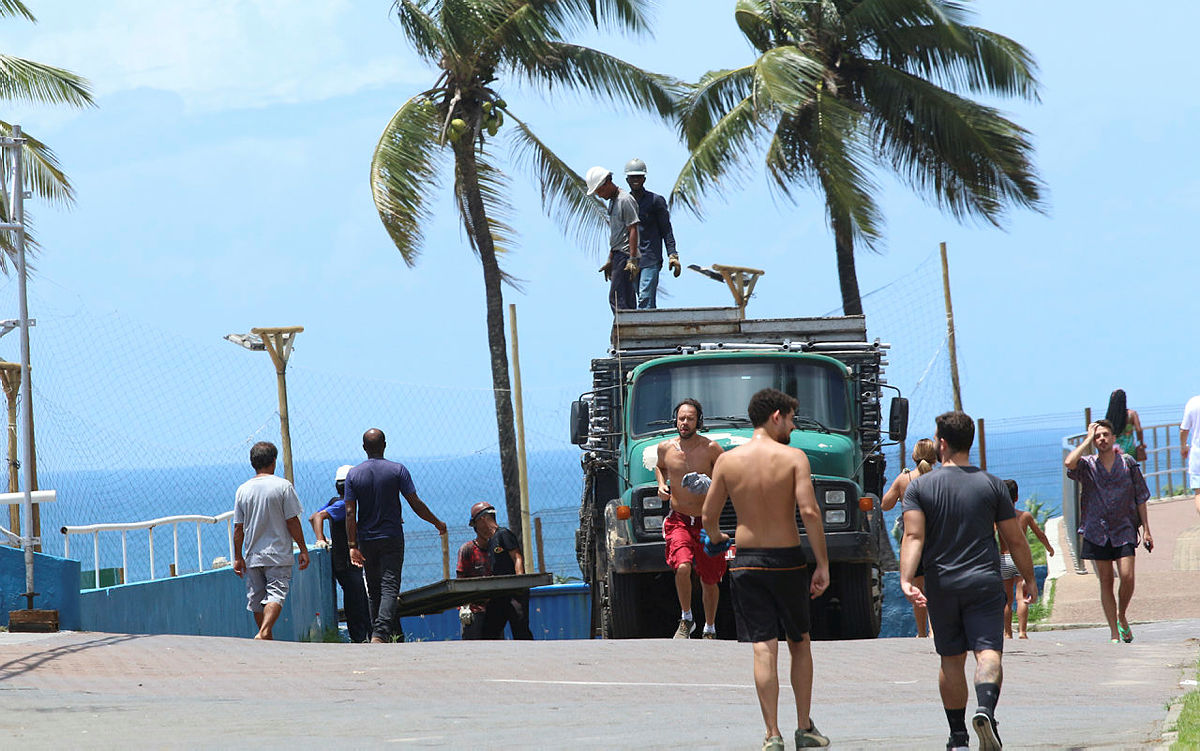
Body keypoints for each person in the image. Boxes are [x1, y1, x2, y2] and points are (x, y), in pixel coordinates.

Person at [702, 388, 831, 749]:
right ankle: (804, 727)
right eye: (791, 418)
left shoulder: (728, 461)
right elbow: (809, 512)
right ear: (776, 416)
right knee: (799, 642)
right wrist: (822, 563)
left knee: (763, 648)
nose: (793, 425)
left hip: (746, 562)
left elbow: (709, 516)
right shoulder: (794, 458)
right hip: (787, 561)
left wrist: (717, 537)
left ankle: (772, 734)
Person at [900, 411, 1036, 751]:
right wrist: (1029, 579)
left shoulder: (919, 487)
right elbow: (1015, 540)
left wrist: (906, 579)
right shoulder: (992, 484)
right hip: (984, 584)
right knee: (988, 654)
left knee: (950, 659)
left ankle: (958, 736)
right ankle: (985, 709)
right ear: (969, 441)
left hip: (942, 585)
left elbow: (913, 536)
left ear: (941, 443)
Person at [345, 428, 447, 643]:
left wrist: (352, 544)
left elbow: (350, 512)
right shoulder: (397, 470)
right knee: (390, 586)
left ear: (364, 448)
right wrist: (436, 522)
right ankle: (380, 634)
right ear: (385, 445)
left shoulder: (353, 474)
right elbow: (415, 503)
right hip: (391, 536)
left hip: (366, 538)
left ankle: (377, 632)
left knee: (374, 589)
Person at [1064, 420, 1153, 644]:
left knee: (1127, 576)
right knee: (1106, 581)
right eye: (1097, 436)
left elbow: (1141, 497)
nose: (1101, 439)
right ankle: (1114, 631)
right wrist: (1086, 439)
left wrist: (1147, 530)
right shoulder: (1087, 465)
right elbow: (1069, 462)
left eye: (1105, 435)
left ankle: (1122, 615)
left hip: (1124, 529)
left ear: (1113, 439)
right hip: (1097, 530)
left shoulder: (1128, 463)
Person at [655, 397, 725, 639]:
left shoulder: (711, 448)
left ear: (699, 421)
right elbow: (660, 467)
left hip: (706, 521)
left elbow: (729, 474)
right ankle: (686, 619)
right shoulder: (665, 448)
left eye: (690, 419)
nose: (684, 423)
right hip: (679, 520)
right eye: (681, 418)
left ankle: (710, 627)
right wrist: (662, 485)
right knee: (682, 567)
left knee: (709, 578)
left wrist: (711, 484)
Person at [232, 441, 310, 641]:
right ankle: (265, 631)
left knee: (257, 599)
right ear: (274, 461)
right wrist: (302, 548)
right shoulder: (283, 486)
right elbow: (292, 520)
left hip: (253, 554)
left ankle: (265, 634)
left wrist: (238, 556)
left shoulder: (243, 490)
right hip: (278, 553)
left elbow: (238, 528)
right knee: (276, 593)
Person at [880, 438, 938, 637]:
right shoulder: (939, 478)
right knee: (936, 587)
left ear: (914, 456)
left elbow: (885, 505)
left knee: (917, 587)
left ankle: (921, 632)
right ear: (935, 458)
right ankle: (934, 631)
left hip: (912, 538)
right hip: (937, 538)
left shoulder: (904, 479)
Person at [310, 464, 371, 643]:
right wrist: (321, 539)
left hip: (342, 560)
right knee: (356, 601)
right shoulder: (343, 505)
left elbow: (313, 516)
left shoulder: (334, 501)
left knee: (356, 598)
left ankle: (361, 636)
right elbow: (319, 517)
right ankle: (360, 637)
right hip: (346, 561)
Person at [468, 501, 534, 640]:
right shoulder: (491, 541)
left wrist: (519, 583)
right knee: (489, 630)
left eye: (475, 524)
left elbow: (517, 557)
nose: (476, 529)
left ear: (483, 519)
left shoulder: (503, 534)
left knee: (520, 628)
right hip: (500, 592)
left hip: (514, 592)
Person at [997, 479, 1054, 640]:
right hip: (1020, 558)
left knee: (1007, 600)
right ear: (1017, 497)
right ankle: (1022, 632)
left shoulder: (997, 518)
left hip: (1004, 559)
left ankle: (1007, 633)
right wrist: (1049, 548)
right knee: (1021, 596)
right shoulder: (1025, 516)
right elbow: (1039, 534)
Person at [624, 158, 679, 309]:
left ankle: (644, 329)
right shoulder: (624, 202)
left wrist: (672, 254)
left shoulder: (655, 201)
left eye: (639, 176)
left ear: (644, 178)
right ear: (627, 179)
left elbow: (666, 229)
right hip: (631, 261)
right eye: (632, 177)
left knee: (645, 297)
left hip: (651, 258)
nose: (636, 180)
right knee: (638, 298)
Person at [585, 165, 640, 313]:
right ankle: (629, 324)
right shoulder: (614, 201)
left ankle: (624, 326)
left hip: (625, 255)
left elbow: (632, 229)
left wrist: (632, 259)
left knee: (617, 296)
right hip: (618, 254)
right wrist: (610, 258)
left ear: (608, 182)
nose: (600, 195)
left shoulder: (624, 200)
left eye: (600, 191)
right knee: (624, 296)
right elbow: (617, 233)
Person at [455, 501, 495, 641]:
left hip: (495, 611)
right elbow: (461, 581)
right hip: (473, 612)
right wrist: (464, 607)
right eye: (482, 522)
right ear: (475, 525)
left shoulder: (497, 549)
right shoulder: (468, 550)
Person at [1105, 389, 1146, 461]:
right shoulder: (1132, 414)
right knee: (1130, 467)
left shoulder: (1110, 416)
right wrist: (1141, 443)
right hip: (1129, 448)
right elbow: (1138, 430)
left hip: (1114, 449)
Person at [1181, 395, 1200, 509]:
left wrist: (1183, 446)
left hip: (1197, 455)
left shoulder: (1193, 403)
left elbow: (1184, 429)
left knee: (1199, 493)